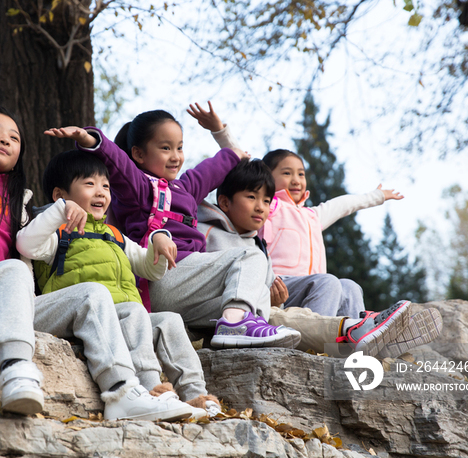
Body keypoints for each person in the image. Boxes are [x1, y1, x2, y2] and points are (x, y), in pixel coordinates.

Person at [0, 0, 191, 422]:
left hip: (7, 299)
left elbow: (33, 245)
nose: (6, 138)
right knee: (12, 271)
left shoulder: (22, 204)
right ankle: (18, 371)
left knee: (92, 294)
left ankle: (122, 392)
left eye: (15, 136)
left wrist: (64, 214)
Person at [44, 109, 301, 349]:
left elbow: (224, 163)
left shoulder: (186, 188)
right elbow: (117, 163)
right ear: (140, 154)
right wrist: (89, 139)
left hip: (185, 287)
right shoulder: (140, 188)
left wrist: (220, 132)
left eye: (179, 147)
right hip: (161, 276)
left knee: (259, 294)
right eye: (165, 148)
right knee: (250, 255)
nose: (176, 156)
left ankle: (233, 334)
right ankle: (235, 324)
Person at [16, 150, 221, 418]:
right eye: (89, 184)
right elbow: (26, 244)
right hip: (86, 316)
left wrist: (159, 240)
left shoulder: (115, 236)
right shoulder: (57, 232)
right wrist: (58, 213)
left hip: (125, 317)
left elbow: (150, 269)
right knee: (135, 312)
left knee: (168, 320)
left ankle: (197, 395)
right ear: (59, 195)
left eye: (106, 186)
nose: (101, 192)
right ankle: (151, 389)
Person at [197, 158, 425, 357]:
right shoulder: (271, 212)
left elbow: (342, 205)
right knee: (327, 282)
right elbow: (233, 169)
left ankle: (363, 341)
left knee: (349, 286)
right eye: (287, 173)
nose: (296, 179)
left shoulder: (306, 218)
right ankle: (318, 348)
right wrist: (221, 132)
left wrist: (377, 196)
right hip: (270, 290)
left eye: (301, 174)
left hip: (286, 291)